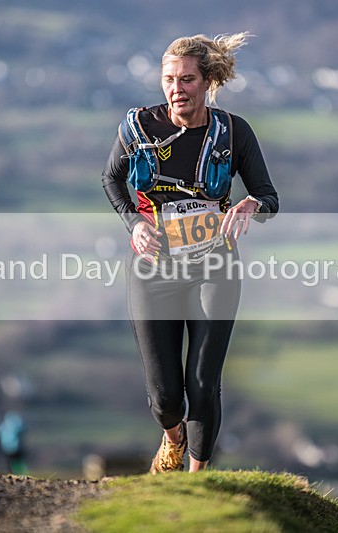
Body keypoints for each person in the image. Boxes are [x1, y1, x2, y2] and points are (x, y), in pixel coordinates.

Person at [102, 32, 278, 473]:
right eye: (168, 79)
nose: (176, 89)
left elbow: (268, 196)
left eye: (187, 80)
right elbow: (111, 180)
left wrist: (250, 204)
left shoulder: (233, 132)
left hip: (213, 266)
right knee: (164, 397)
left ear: (208, 82)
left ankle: (194, 484)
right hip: (152, 268)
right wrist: (135, 223)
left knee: (202, 383)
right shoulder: (138, 128)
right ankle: (173, 438)